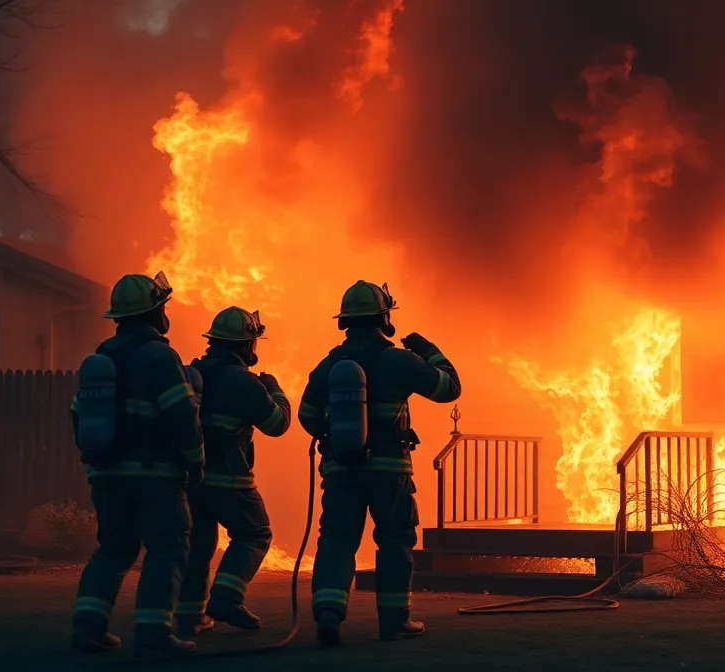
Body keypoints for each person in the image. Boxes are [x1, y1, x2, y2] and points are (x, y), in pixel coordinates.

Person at [298, 280, 461, 647]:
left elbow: (307, 415)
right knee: (393, 541)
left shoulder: (328, 366)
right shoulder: (399, 361)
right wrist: (427, 349)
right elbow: (448, 388)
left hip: (341, 470)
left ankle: (328, 615)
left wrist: (336, 433)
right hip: (390, 473)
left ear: (346, 322)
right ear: (384, 318)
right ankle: (393, 622)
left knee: (337, 541)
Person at [70, 271, 203, 660]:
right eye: (163, 306)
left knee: (113, 548)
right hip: (155, 475)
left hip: (107, 473)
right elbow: (182, 414)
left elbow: (77, 414)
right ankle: (154, 634)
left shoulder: (102, 358)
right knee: (168, 546)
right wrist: (195, 462)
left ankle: (87, 628)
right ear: (153, 312)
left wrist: (95, 459)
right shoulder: (160, 357)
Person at [174, 306, 292, 638]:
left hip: (191, 478)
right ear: (245, 345)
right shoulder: (244, 382)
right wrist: (276, 390)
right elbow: (276, 424)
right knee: (255, 534)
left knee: (199, 543)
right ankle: (226, 599)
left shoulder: (192, 374)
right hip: (230, 479)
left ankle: (189, 617)